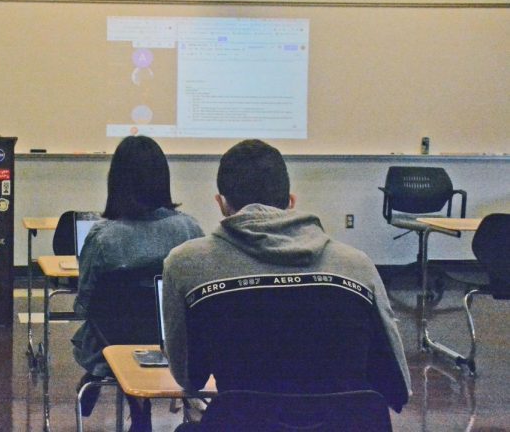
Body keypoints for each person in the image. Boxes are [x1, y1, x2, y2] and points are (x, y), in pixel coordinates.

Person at [162, 139, 411, 427]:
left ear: (221, 204)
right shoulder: (356, 266)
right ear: (291, 202)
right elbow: (396, 386)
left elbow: (189, 377)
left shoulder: (186, 264)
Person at [73, 135, 204, 431]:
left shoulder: (103, 237)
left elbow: (84, 301)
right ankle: (144, 404)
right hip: (177, 346)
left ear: (116, 182)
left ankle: (131, 401)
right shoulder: (190, 229)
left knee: (106, 329)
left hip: (110, 347)